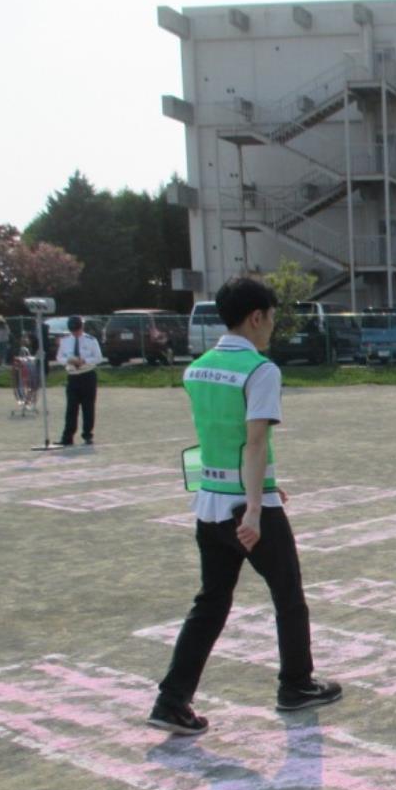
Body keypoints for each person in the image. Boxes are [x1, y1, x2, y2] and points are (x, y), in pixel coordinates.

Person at [148, 277, 341, 735]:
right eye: (271, 318)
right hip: (246, 511)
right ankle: (296, 684)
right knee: (289, 596)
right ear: (256, 317)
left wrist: (267, 487)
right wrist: (256, 506)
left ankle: (171, 700)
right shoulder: (261, 370)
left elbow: (215, 437)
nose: (272, 328)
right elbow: (254, 443)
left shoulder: (196, 370)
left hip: (208, 504)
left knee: (210, 603)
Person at [55, 315, 102, 446]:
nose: (75, 333)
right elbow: (59, 357)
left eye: (77, 330)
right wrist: (68, 361)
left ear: (82, 327)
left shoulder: (90, 340)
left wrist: (85, 361)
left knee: (88, 407)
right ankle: (67, 437)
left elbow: (98, 358)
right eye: (73, 331)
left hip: (87, 375)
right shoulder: (65, 341)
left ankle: (87, 435)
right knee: (71, 408)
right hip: (73, 376)